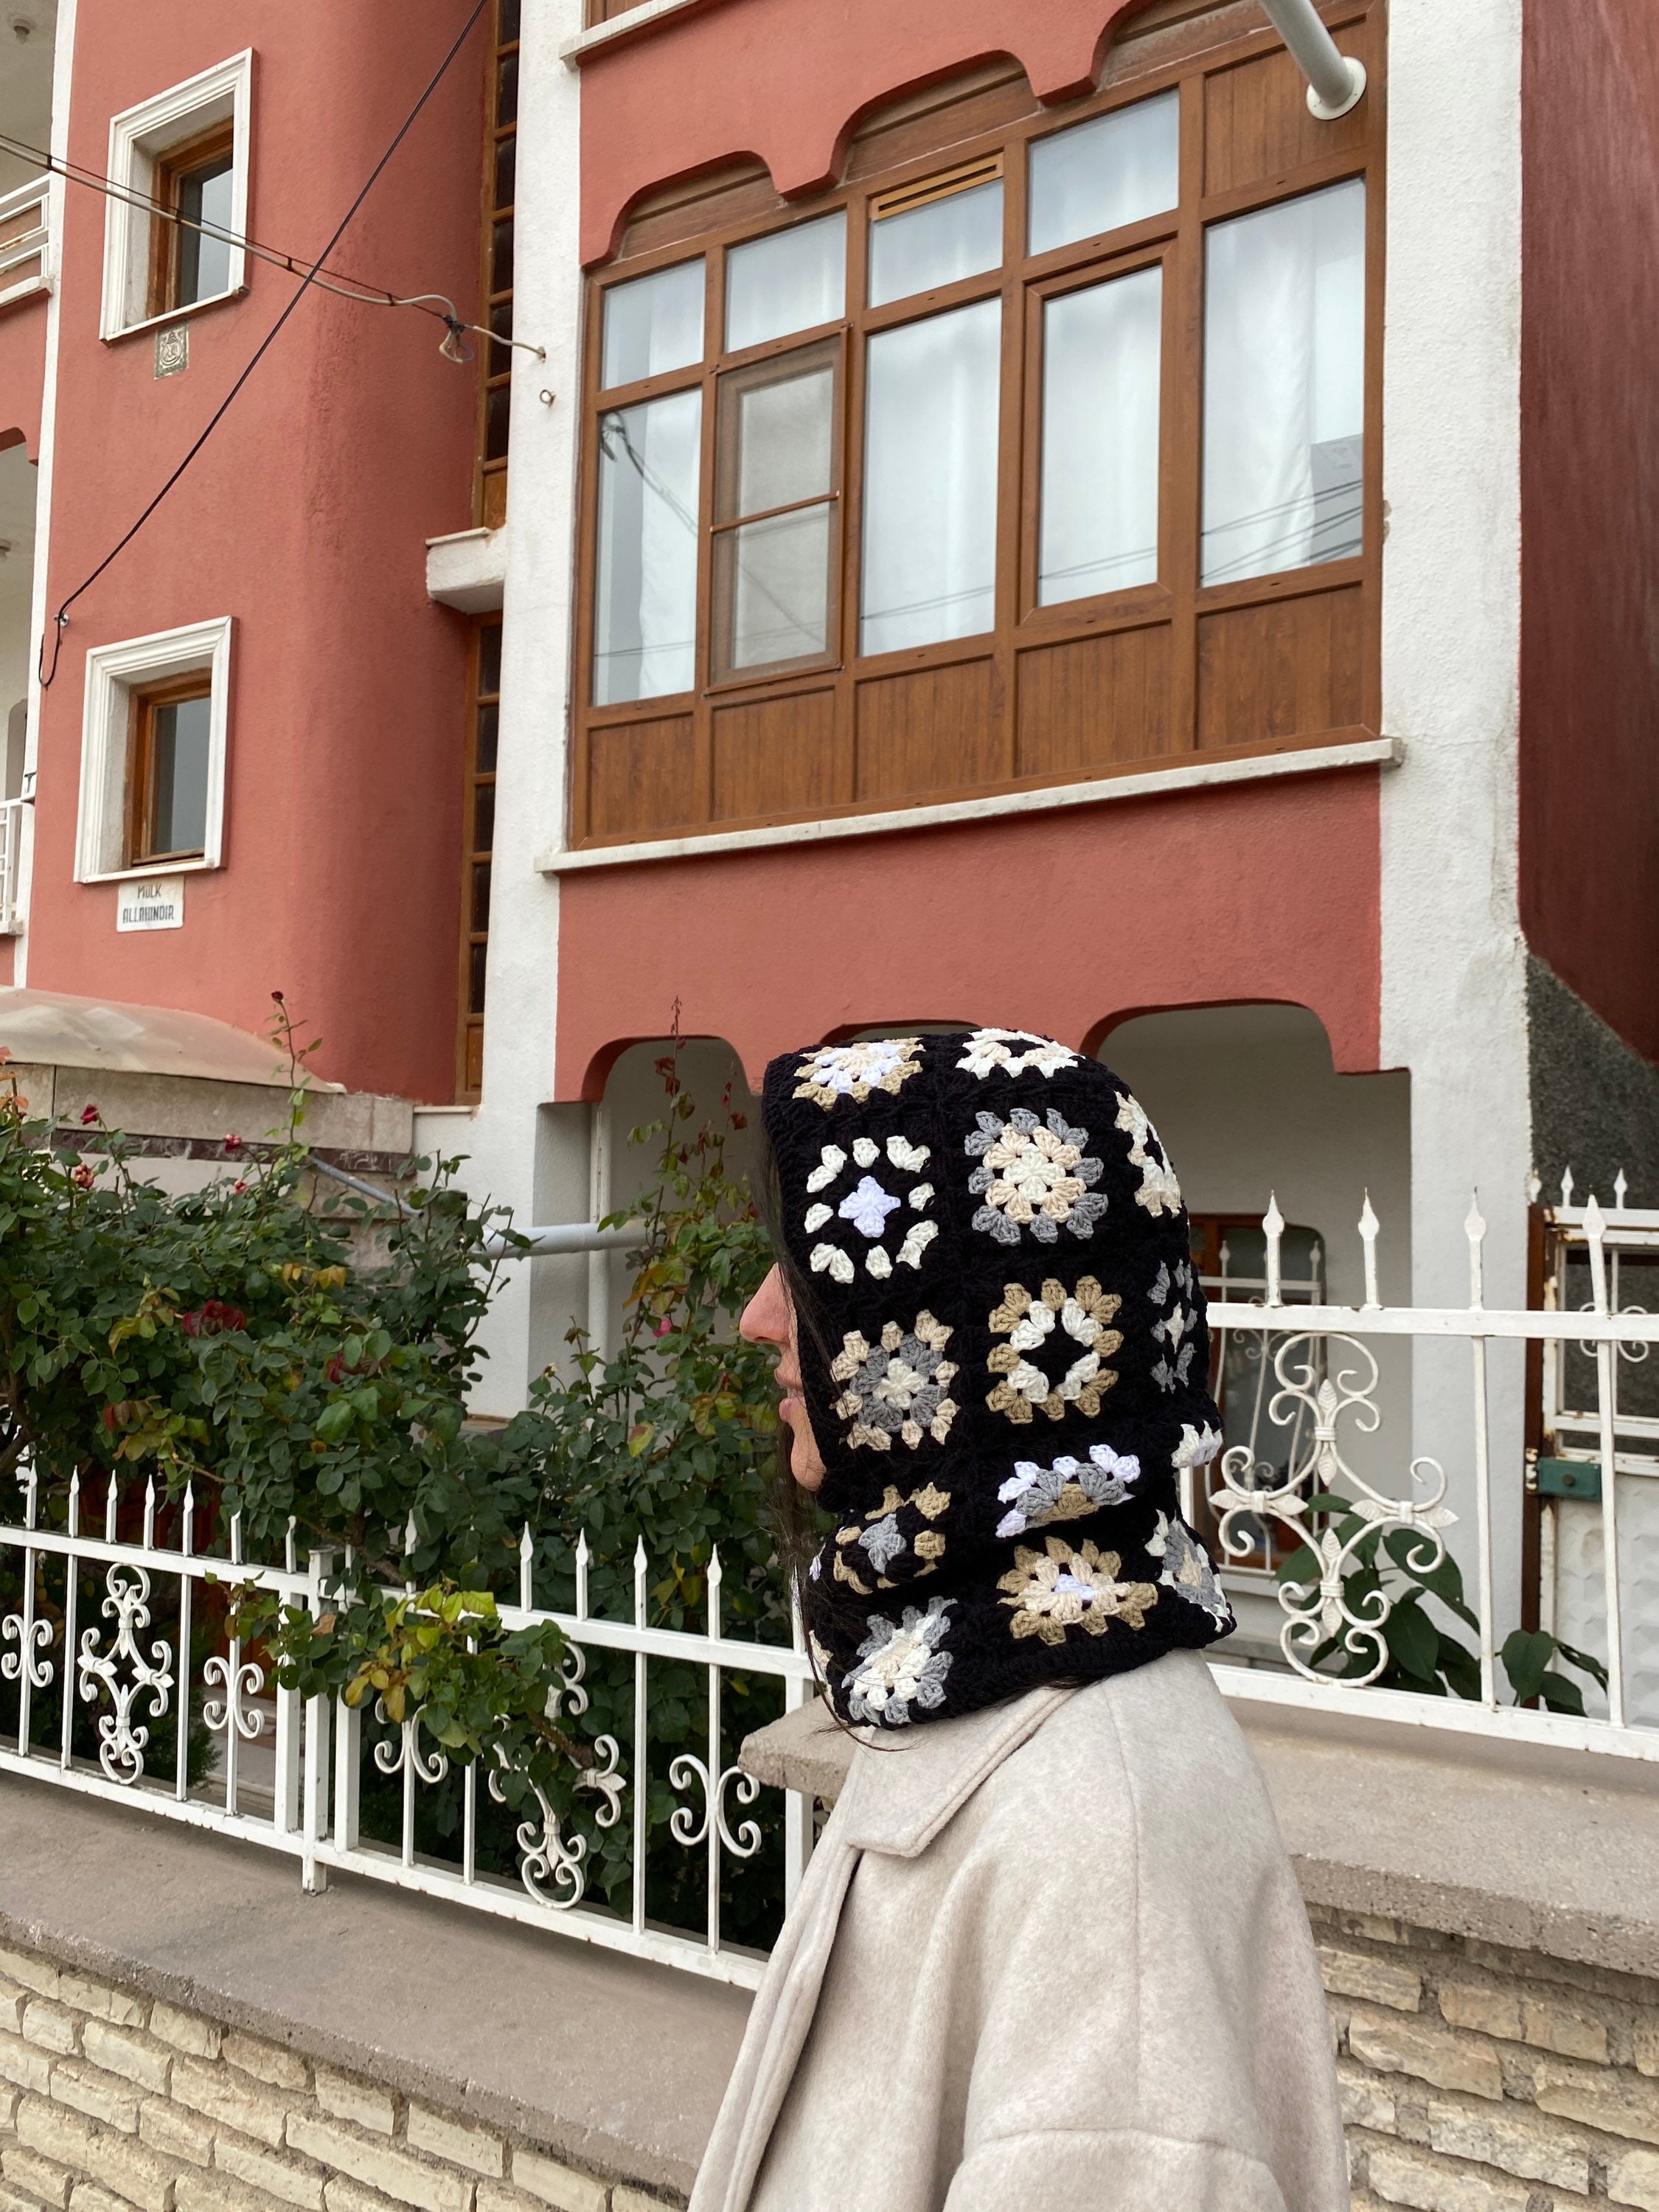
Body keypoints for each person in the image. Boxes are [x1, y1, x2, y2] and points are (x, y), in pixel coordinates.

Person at [689, 1029, 1347, 2212]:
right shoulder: (973, 1670)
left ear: (959, 1337)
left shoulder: (1098, 1842)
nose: (755, 1320)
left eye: (804, 1272)